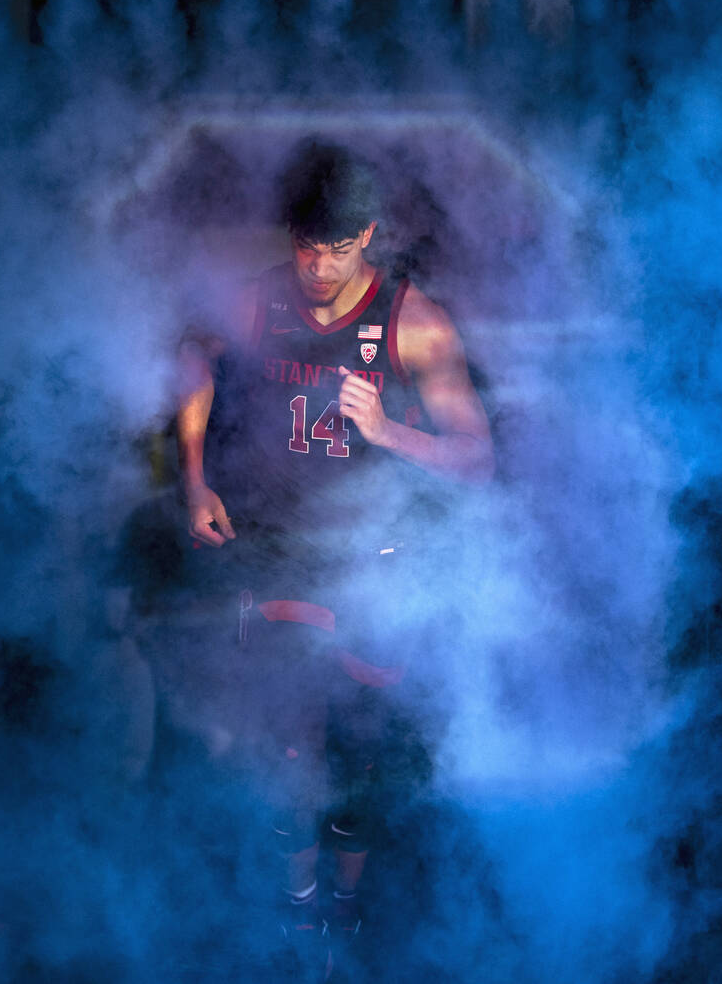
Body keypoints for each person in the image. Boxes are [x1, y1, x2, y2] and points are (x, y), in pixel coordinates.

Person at [176, 139, 493, 979]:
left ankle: (343, 912)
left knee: (358, 754)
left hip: (368, 560)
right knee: (285, 746)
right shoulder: (254, 305)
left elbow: (476, 457)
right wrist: (196, 479)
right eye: (307, 247)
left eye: (339, 250)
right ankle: (294, 914)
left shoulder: (411, 321)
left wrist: (388, 429)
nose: (319, 266)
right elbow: (192, 363)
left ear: (371, 239)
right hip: (275, 553)